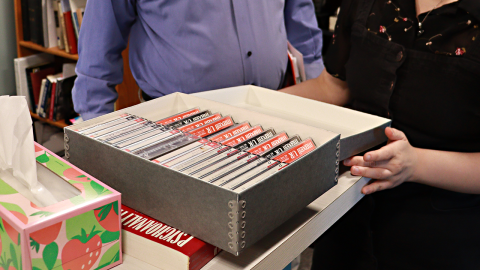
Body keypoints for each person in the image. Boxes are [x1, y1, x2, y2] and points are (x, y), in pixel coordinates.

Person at [281, 0, 480, 269]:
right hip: (346, 223)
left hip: (443, 240)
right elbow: (334, 86)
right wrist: (235, 106)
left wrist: (416, 164)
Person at [72, 0, 324, 121]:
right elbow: (99, 48)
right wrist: (96, 131)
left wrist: (322, 113)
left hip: (273, 115)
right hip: (176, 128)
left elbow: (303, 29)